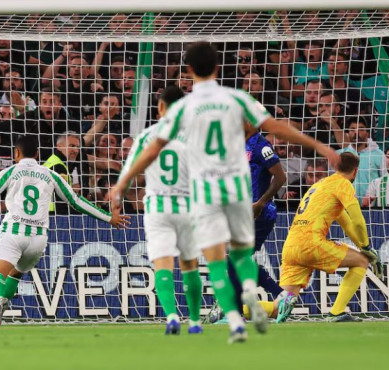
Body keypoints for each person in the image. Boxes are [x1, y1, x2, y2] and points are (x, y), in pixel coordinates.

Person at [111, 41, 339, 344]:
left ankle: (236, 313)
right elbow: (275, 126)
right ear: (218, 67)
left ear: (189, 70)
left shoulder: (185, 108)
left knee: (216, 259)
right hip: (236, 189)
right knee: (240, 257)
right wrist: (320, 147)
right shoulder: (235, 98)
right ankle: (246, 297)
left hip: (206, 191)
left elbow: (154, 148)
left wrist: (122, 182)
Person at [0, 135, 129, 326]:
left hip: (14, 232)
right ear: (38, 154)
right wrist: (109, 217)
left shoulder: (10, 172)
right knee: (15, 273)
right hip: (39, 240)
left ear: (16, 153)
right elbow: (76, 201)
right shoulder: (51, 174)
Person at [254, 152, 383, 323]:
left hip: (291, 247)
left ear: (335, 167)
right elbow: (357, 222)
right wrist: (366, 248)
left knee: (278, 307)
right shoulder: (343, 184)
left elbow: (346, 223)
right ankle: (336, 312)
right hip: (311, 243)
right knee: (361, 261)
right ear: (356, 171)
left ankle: (229, 309)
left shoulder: (321, 185)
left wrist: (363, 247)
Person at [120, 86, 204, 335]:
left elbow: (131, 169)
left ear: (160, 107)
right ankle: (196, 322)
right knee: (190, 264)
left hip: (158, 206)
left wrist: (118, 192)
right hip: (188, 205)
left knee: (162, 265)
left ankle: (171, 316)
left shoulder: (148, 135)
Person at [207, 122, 288, 323]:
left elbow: (280, 177)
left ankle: (235, 313)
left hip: (258, 213)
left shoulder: (262, 146)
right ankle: (282, 296)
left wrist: (261, 202)